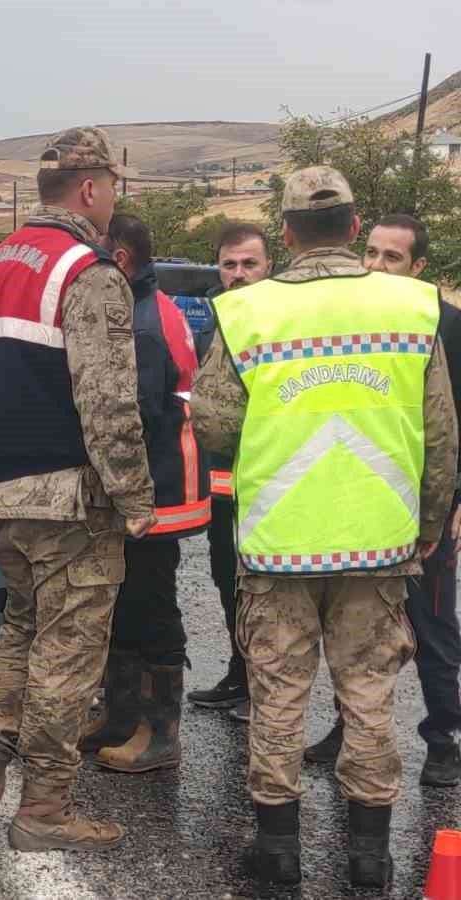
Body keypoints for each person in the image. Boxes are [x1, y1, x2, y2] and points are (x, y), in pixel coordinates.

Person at [191, 166, 458, 888]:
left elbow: (213, 425)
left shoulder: (248, 311)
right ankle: (370, 857)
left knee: (278, 695)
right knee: (369, 696)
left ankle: (278, 849)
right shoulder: (412, 306)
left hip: (280, 545)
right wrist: (430, 523)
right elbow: (441, 431)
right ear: (354, 225)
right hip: (378, 543)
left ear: (283, 234)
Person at [0, 126, 156, 852]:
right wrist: (135, 500)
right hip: (72, 501)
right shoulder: (87, 271)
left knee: (17, 638)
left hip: (6, 493)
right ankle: (44, 811)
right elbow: (108, 405)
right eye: (114, 190)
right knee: (69, 656)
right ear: (92, 189)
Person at [301, 213, 461, 788]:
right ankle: (350, 729)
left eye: (392, 257)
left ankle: (444, 738)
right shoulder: (351, 321)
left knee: (432, 626)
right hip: (363, 507)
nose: (375, 266)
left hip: (427, 514)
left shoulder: (447, 327)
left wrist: (450, 505)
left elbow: (451, 429)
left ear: (418, 268)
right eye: (370, 252)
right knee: (356, 631)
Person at [79, 214, 208, 774]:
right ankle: (121, 714)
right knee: (129, 600)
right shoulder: (148, 307)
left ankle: (161, 732)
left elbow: (136, 413)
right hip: (154, 483)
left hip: (157, 487)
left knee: (153, 606)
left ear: (121, 260)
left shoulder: (143, 323)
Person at [186, 222, 273, 723]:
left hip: (271, 482)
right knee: (227, 581)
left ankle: (264, 688)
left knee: (269, 590)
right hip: (223, 485)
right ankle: (239, 674)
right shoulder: (213, 324)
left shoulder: (281, 323)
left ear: (269, 267)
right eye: (229, 265)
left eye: (249, 264)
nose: (238, 275)